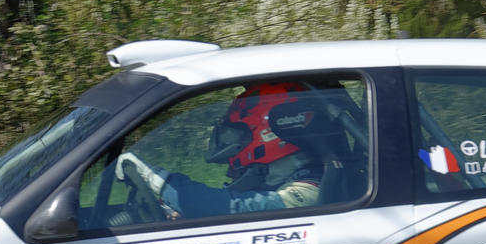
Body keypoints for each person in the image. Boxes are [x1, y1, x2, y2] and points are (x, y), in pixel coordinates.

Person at [116, 82, 346, 218]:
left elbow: (236, 207)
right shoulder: (275, 178)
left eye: (237, 135)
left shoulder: (312, 187)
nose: (231, 147)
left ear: (269, 134)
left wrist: (160, 182)